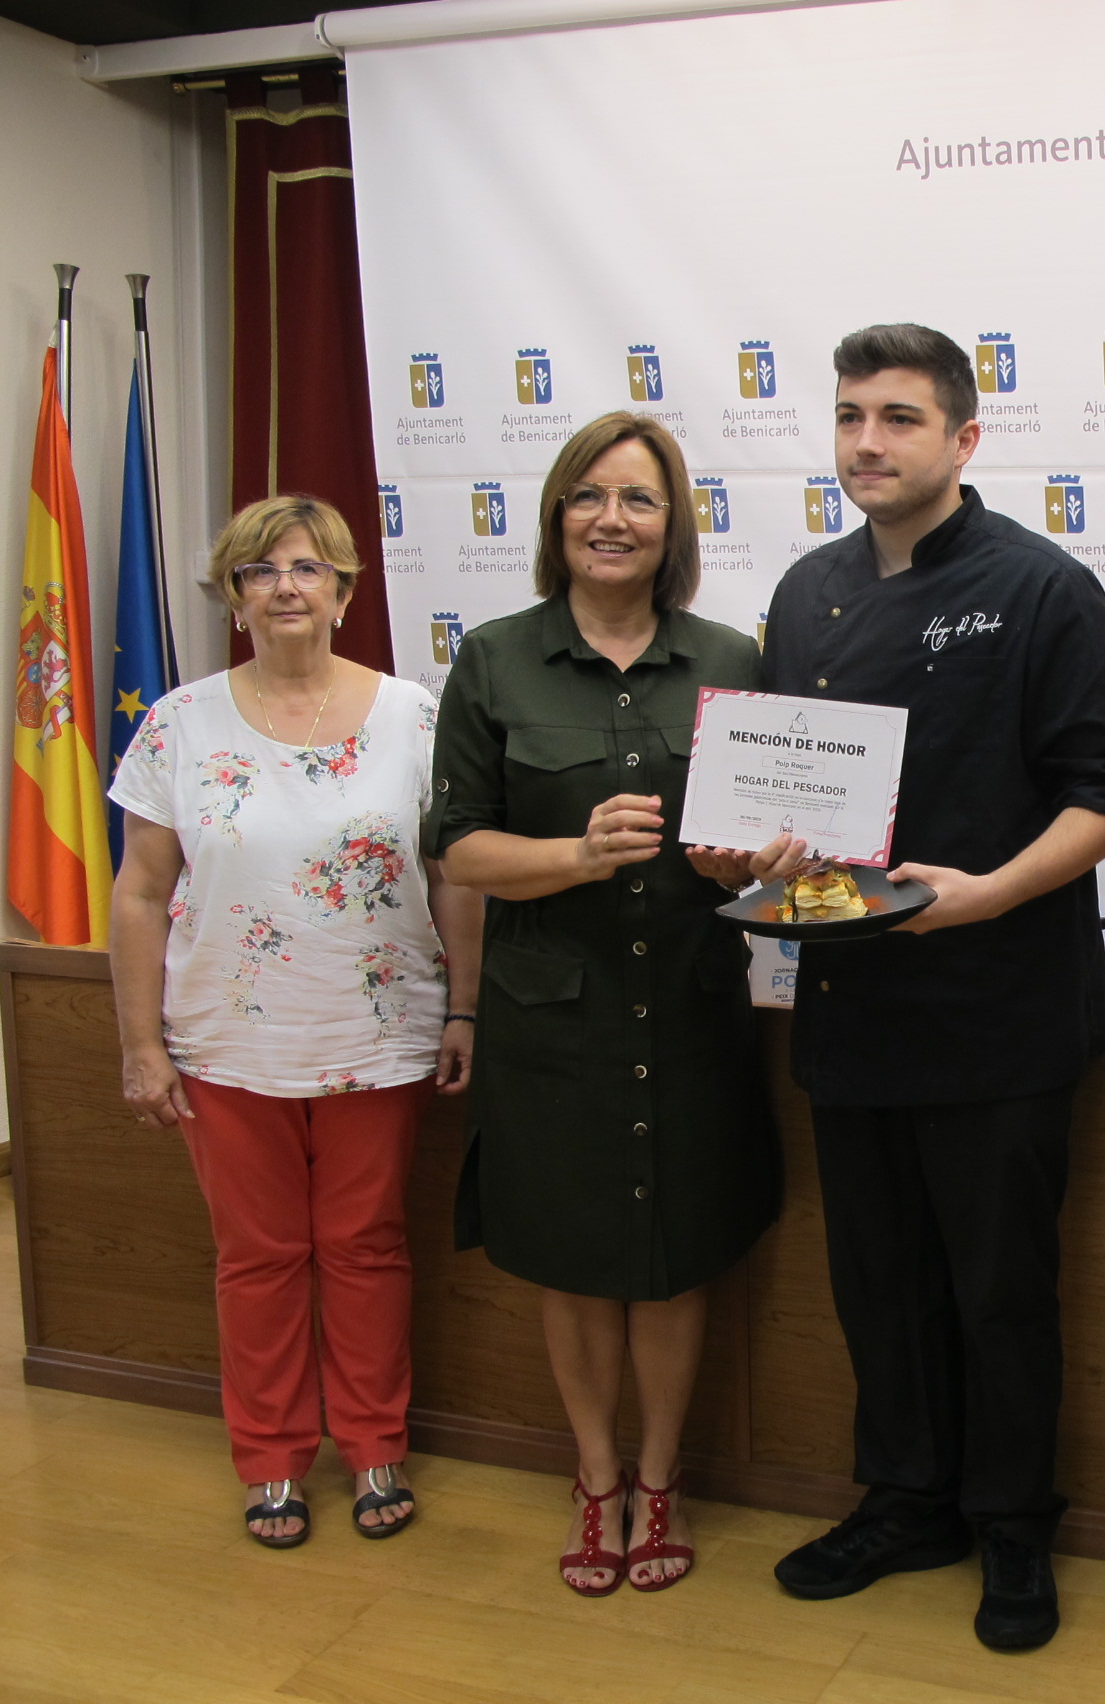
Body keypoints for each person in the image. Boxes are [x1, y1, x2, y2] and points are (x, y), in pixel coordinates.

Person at [743, 324, 1105, 1652]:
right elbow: (791, 795)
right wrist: (760, 850)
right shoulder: (805, 590)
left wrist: (987, 893)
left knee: (999, 1292)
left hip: (999, 1010)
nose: (868, 442)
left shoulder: (1042, 589)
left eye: (900, 418)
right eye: (850, 416)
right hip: (851, 1007)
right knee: (879, 1283)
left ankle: (1014, 1524)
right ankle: (908, 1500)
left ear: (965, 439)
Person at [426, 412, 780, 1597]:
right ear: (555, 517)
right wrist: (574, 857)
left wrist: (746, 865)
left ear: (673, 525)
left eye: (637, 499)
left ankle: (660, 1478)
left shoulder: (732, 658)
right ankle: (594, 1478)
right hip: (552, 1023)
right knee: (573, 1262)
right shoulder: (494, 659)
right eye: (586, 496)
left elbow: (766, 849)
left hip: (689, 1010)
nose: (610, 519)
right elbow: (460, 848)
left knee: (675, 1260)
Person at [110, 494, 481, 1548]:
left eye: (307, 568)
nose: (285, 587)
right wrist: (140, 1044)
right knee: (258, 1255)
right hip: (226, 1042)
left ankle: (373, 1445)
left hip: (380, 1033)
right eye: (259, 571)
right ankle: (270, 1458)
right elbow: (140, 892)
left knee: (366, 1247)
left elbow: (453, 873)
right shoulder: (179, 723)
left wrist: (464, 1004)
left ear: (344, 592)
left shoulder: (414, 715)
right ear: (233, 597)